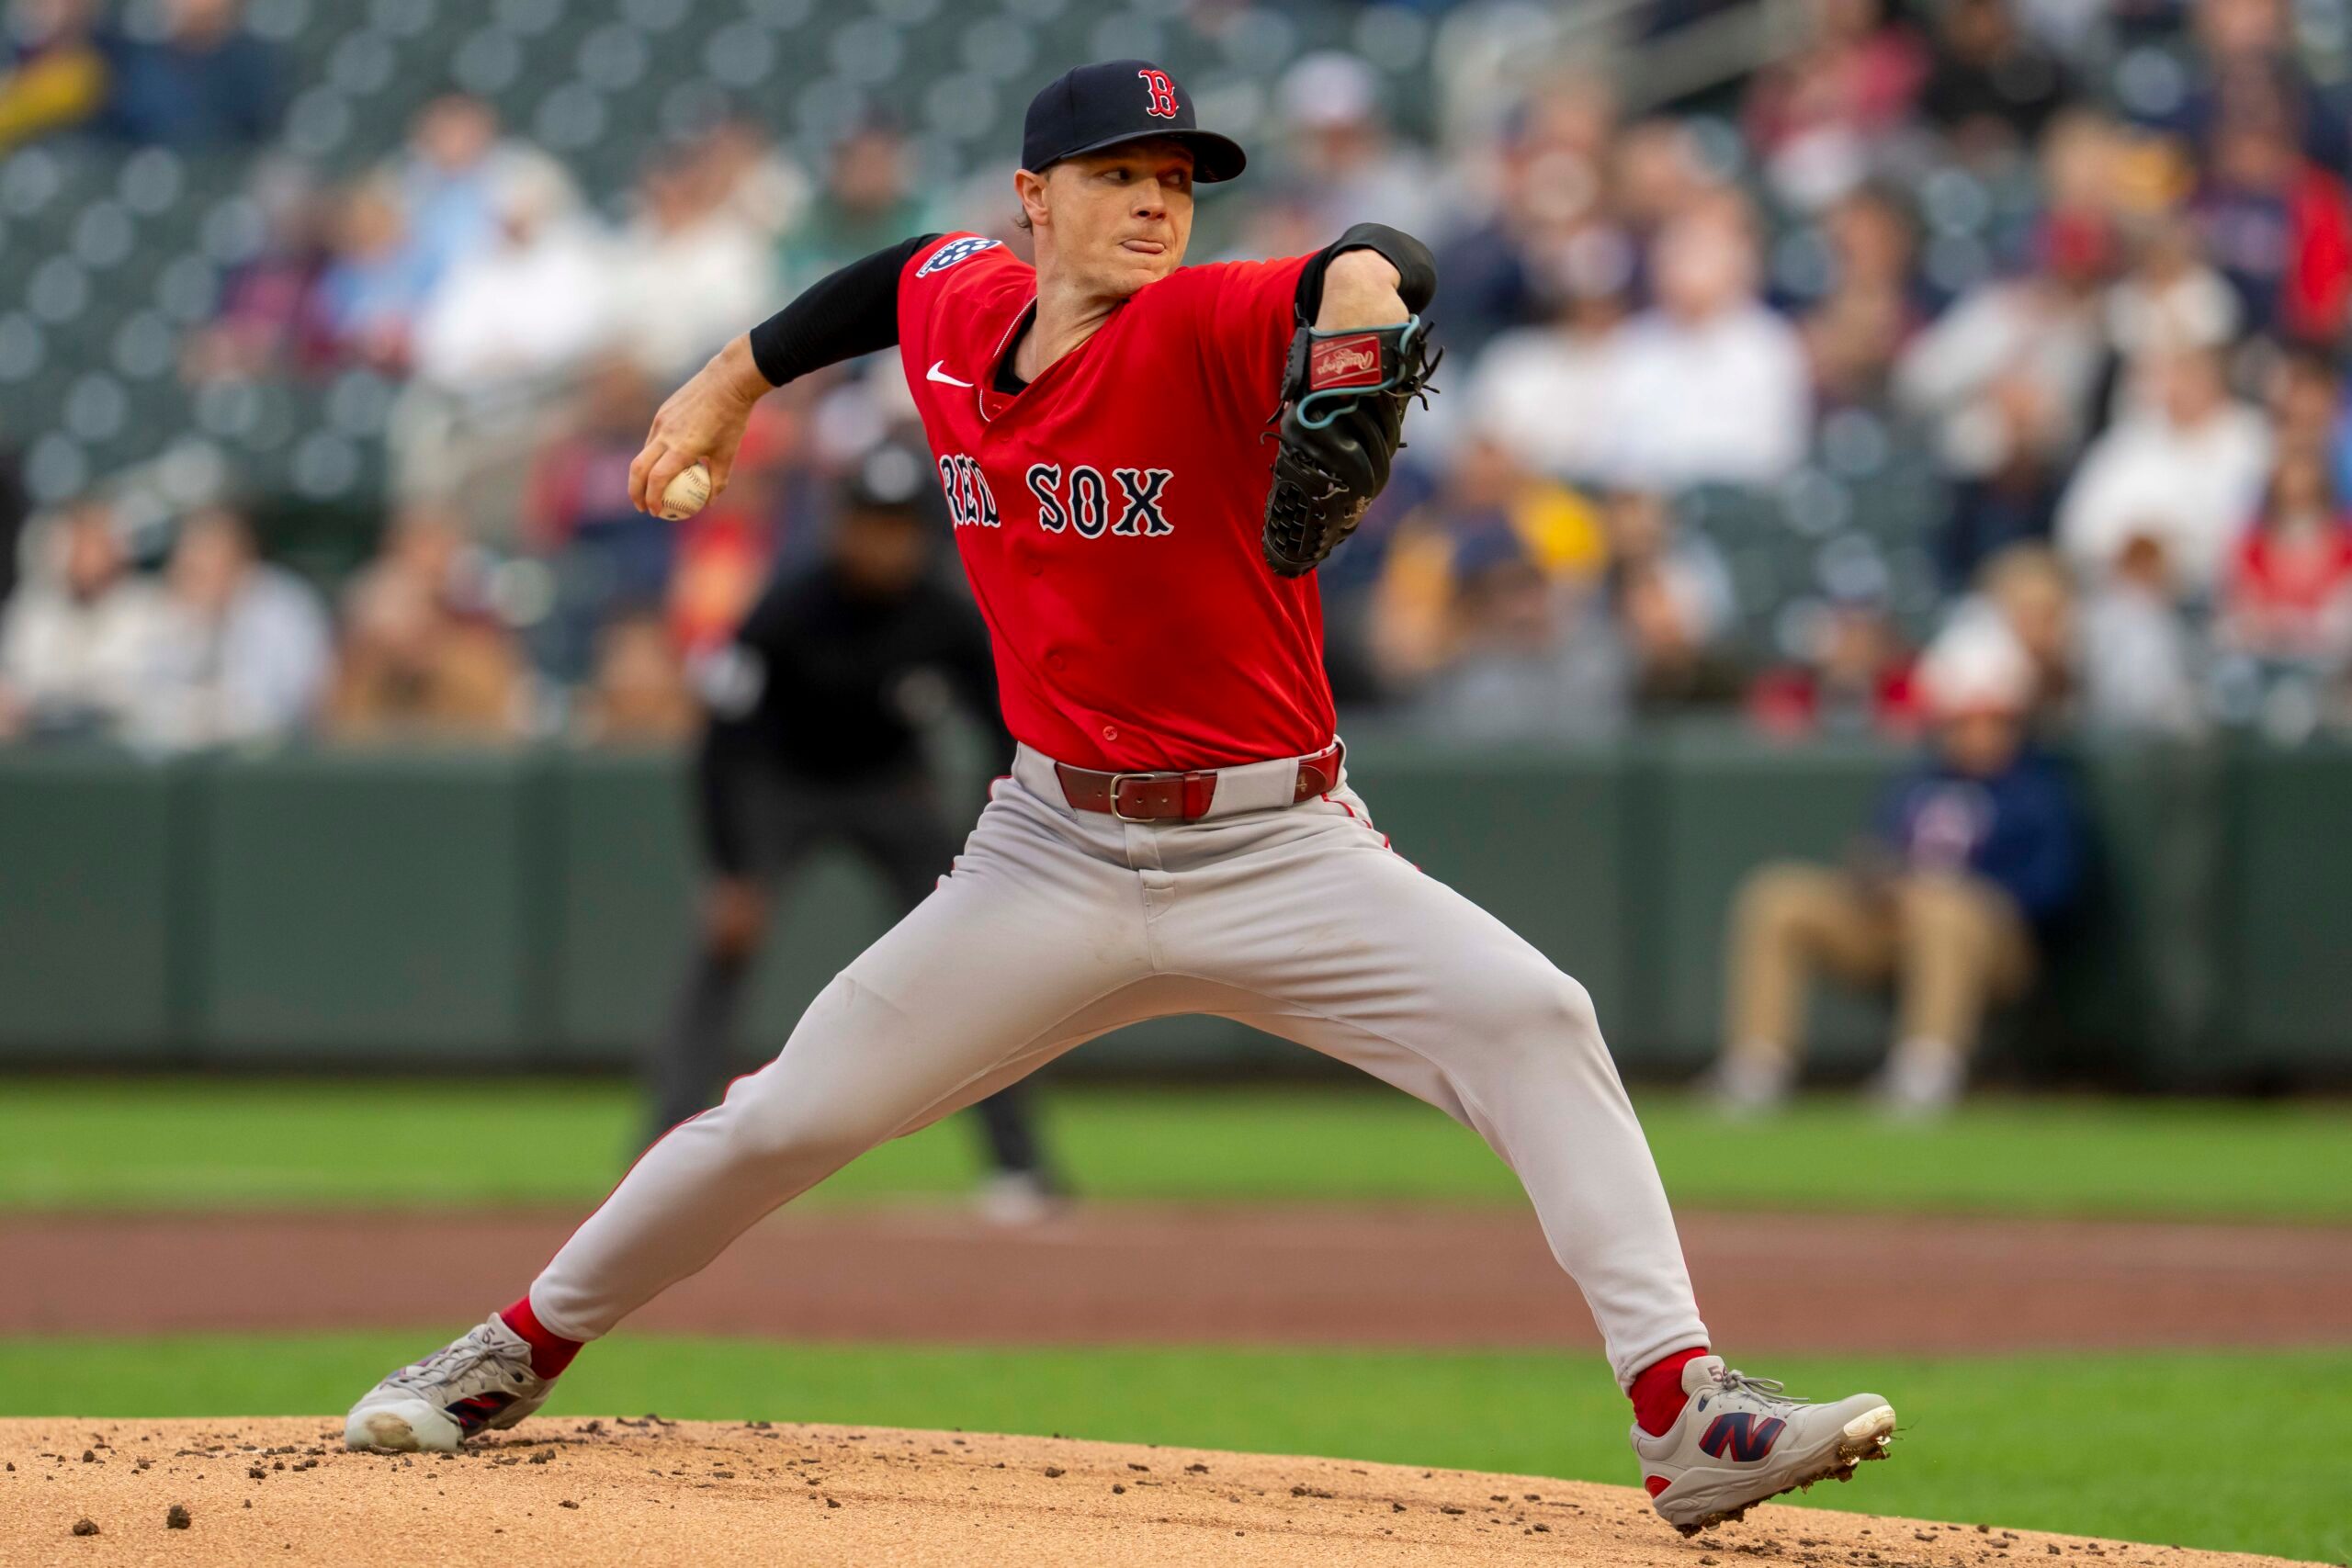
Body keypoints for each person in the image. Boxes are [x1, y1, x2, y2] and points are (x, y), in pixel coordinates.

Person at [343, 60, 1897, 1539]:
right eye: (1122, 175)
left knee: (1535, 1014)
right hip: (1052, 848)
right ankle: (507, 1352)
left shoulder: (1204, 325)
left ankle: (1683, 1409)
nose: (1160, 203)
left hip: (1278, 841)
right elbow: (886, 277)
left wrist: (1360, 321)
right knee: (783, 1118)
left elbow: (1370, 260)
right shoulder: (960, 309)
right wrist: (731, 378)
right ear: (1035, 196)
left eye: (1180, 179)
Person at [1710, 626, 2083, 1118]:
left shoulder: (2039, 792)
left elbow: (2057, 891)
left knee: (1944, 906)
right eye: (1964, 721)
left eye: (1991, 721)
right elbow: (1881, 848)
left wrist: (1965, 892)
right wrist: (1877, 875)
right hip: (1896, 924)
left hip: (1993, 943)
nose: (1977, 734)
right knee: (1778, 895)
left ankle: (1926, 1068)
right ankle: (1757, 1064)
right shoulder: (1917, 781)